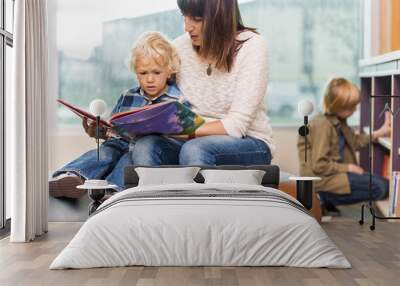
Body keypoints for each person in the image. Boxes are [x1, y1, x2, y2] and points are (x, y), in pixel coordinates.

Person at [131, 0, 274, 166]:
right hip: (189, 139)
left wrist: (181, 130)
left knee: (195, 149)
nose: (187, 27)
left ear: (219, 17)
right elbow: (156, 90)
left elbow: (237, 126)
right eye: (184, 17)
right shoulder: (179, 47)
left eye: (197, 19)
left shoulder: (252, 47)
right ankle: (155, 193)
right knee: (145, 146)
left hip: (248, 141)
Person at [49, 32, 182, 197]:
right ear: (135, 72)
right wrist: (100, 132)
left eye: (156, 73)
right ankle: (72, 177)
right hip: (121, 144)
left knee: (128, 159)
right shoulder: (128, 96)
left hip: (147, 151)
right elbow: (115, 130)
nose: (149, 79)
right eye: (143, 73)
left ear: (169, 71)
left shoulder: (177, 99)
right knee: (106, 151)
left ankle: (112, 193)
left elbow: (183, 135)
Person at [297, 78, 390, 216]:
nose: (354, 110)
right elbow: (319, 165)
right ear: (336, 106)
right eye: (350, 107)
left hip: (337, 173)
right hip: (324, 180)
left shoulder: (338, 120)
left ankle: (327, 198)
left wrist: (379, 133)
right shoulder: (323, 125)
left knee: (382, 182)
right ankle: (323, 197)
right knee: (382, 187)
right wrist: (349, 168)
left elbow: (354, 141)